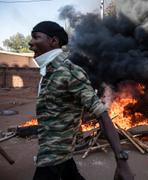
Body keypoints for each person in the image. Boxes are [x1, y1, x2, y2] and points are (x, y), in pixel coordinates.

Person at [29, 21, 134, 180]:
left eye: (36, 37)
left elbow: (102, 115)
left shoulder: (68, 72)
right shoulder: (49, 72)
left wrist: (122, 162)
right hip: (58, 152)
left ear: (53, 41)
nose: (30, 43)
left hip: (53, 155)